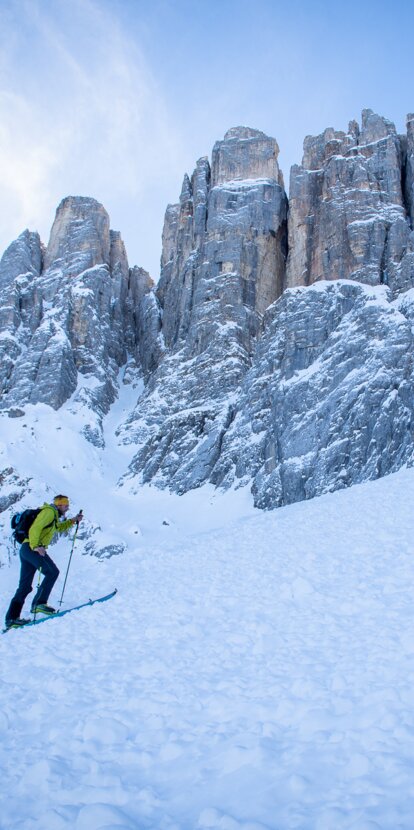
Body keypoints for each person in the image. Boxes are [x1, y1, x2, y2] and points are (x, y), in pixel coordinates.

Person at [5, 495, 83, 629]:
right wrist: (36, 546)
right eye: (65, 505)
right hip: (32, 548)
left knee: (24, 586)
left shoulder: (53, 516)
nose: (67, 507)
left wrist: (74, 520)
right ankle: (39, 603)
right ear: (59, 504)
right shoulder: (49, 512)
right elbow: (35, 528)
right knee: (52, 572)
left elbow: (59, 528)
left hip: (26, 549)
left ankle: (12, 619)